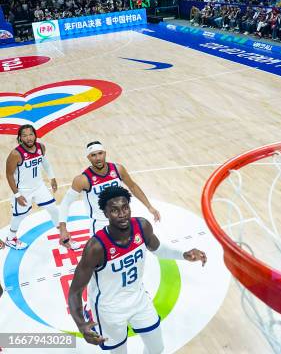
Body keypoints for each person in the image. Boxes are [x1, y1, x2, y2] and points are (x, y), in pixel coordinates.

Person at [68, 186, 206, 353]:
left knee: (157, 348)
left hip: (138, 299)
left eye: (125, 207)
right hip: (109, 309)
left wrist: (184, 254)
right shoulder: (96, 247)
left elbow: (158, 248)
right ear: (105, 214)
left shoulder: (142, 226)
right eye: (114, 210)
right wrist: (82, 326)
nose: (122, 214)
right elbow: (75, 291)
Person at [59, 141, 161, 237]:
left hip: (122, 219)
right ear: (88, 157)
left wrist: (149, 207)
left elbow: (133, 187)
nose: (98, 158)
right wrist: (63, 229)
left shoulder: (118, 169)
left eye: (100, 153)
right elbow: (65, 203)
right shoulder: (82, 179)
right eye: (93, 155)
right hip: (100, 224)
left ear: (105, 153)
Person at [5, 125, 77, 250]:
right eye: (24, 135)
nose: (28, 138)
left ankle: (64, 237)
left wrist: (52, 177)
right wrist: (17, 195)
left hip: (39, 187)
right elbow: (9, 174)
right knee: (19, 216)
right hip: (23, 190)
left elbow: (44, 162)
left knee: (54, 209)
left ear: (35, 135)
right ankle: (10, 238)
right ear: (20, 138)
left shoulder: (41, 147)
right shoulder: (15, 154)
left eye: (31, 134)